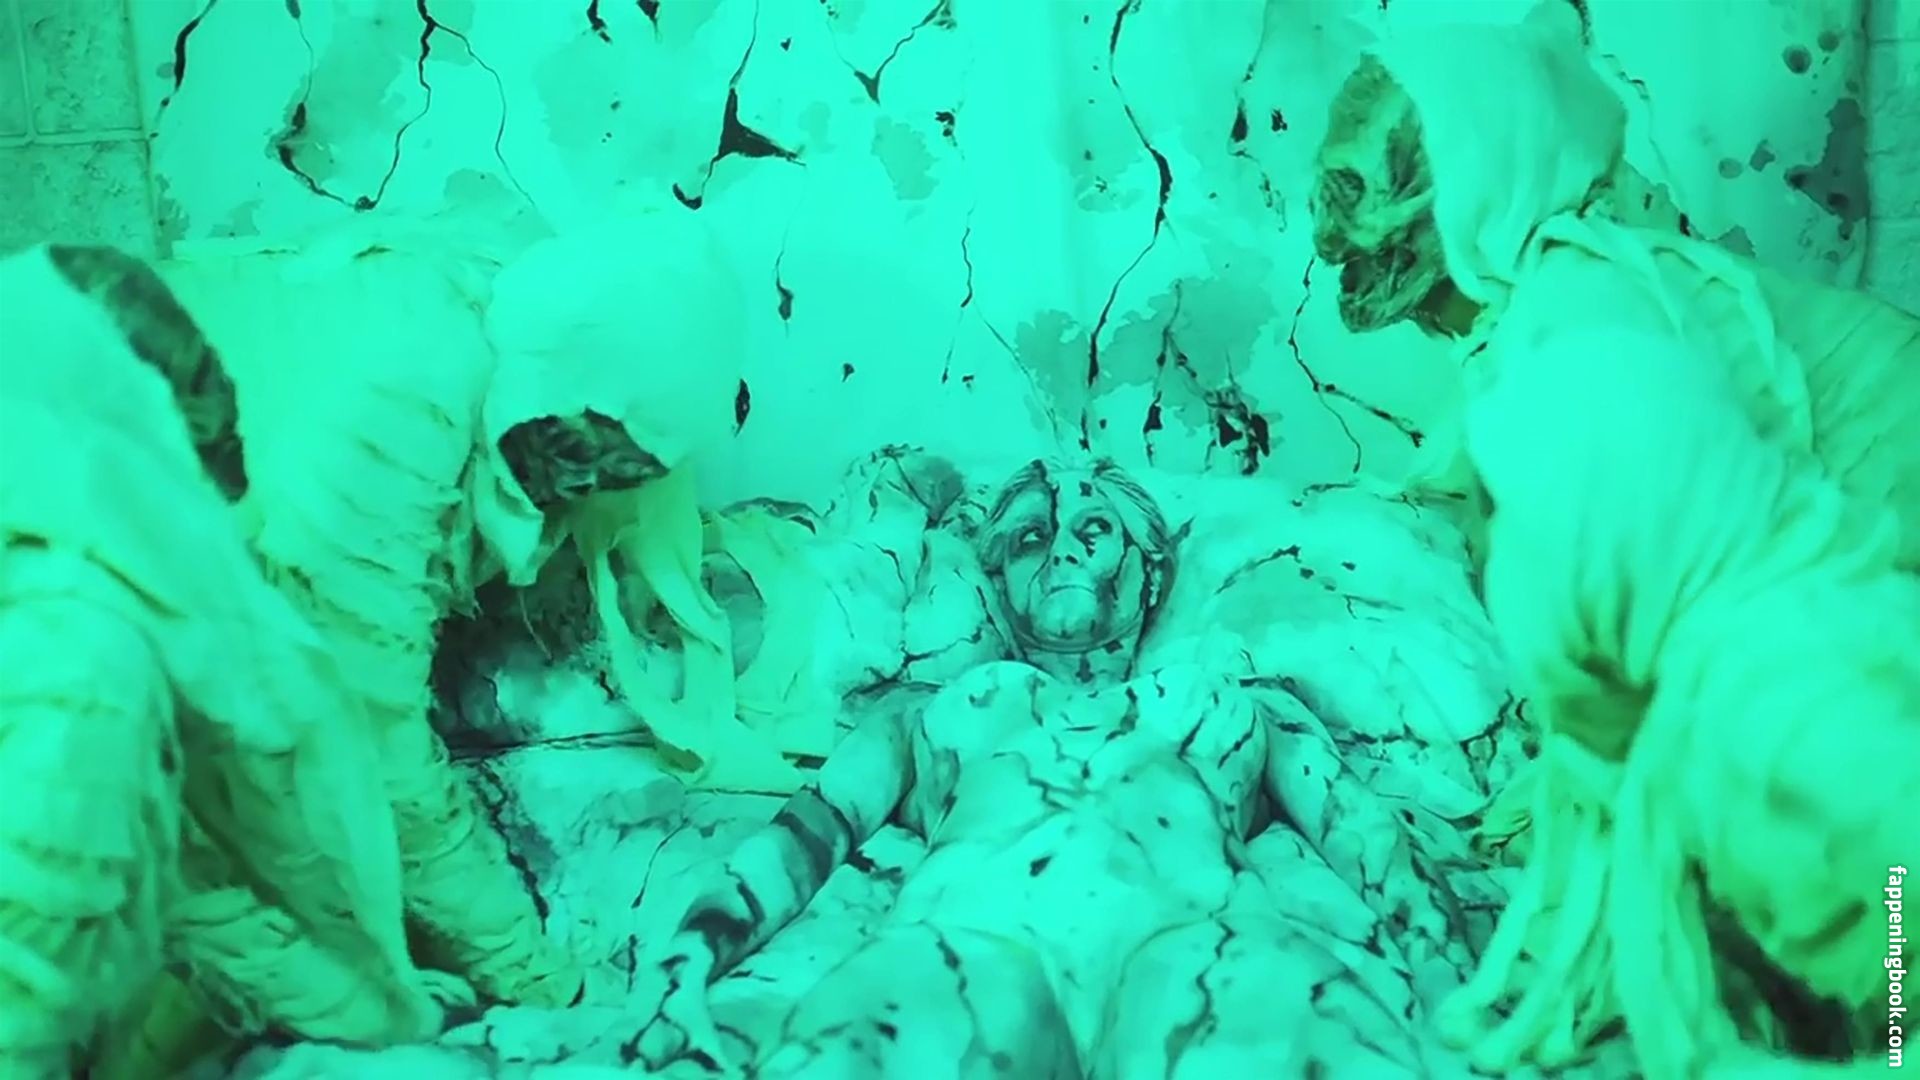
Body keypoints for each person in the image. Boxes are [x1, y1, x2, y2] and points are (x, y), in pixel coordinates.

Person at [1305, 5, 1919, 1076]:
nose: (1330, 243)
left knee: (1885, 952)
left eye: (1362, 192)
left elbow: (1688, 640)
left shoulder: (1584, 324)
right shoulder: (1556, 306)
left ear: (1479, 166)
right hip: (1840, 629)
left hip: (1859, 654)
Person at [617, 457, 1459, 1079]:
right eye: (1030, 537)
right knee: (850, 1051)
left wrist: (1452, 984)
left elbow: (1366, 839)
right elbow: (800, 841)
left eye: (1092, 531)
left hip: (1197, 943)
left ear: (1149, 570)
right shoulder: (934, 709)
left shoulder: (1229, 701)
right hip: (970, 945)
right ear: (1002, 581)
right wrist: (679, 974)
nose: (1058, 551)